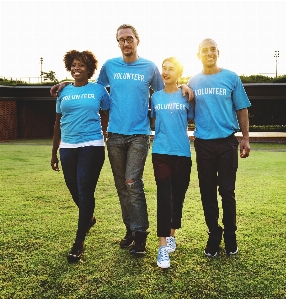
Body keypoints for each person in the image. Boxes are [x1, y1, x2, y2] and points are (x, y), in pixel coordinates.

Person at [50, 24, 193, 255]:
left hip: (139, 134)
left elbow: (166, 89)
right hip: (115, 135)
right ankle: (130, 229)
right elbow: (91, 88)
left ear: (137, 40)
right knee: (120, 186)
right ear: (117, 43)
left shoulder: (149, 67)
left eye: (129, 39)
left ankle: (141, 235)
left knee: (132, 182)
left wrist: (185, 84)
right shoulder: (110, 66)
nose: (125, 43)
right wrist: (67, 84)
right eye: (121, 40)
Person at [188, 38, 251, 257]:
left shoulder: (231, 77)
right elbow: (186, 108)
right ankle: (214, 234)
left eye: (212, 49)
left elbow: (242, 108)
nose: (209, 53)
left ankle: (231, 236)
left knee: (227, 190)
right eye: (204, 50)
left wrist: (245, 138)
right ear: (199, 55)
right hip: (204, 144)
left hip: (226, 142)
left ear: (218, 52)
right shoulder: (193, 81)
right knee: (207, 192)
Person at [51, 50, 110, 262]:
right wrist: (54, 151)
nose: (77, 68)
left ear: (89, 68)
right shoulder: (63, 92)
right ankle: (90, 217)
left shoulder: (99, 90)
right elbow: (57, 122)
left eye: (82, 65)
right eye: (74, 65)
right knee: (73, 187)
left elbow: (107, 114)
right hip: (67, 146)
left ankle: (79, 241)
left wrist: (106, 135)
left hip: (92, 145)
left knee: (84, 189)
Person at [150, 57, 195, 268]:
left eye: (171, 69)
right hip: (160, 152)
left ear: (179, 73)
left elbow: (194, 117)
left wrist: (186, 86)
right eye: (164, 69)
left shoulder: (187, 95)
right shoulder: (155, 97)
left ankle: (171, 235)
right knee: (164, 196)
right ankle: (161, 247)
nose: (166, 72)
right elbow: (153, 120)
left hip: (182, 154)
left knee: (178, 196)